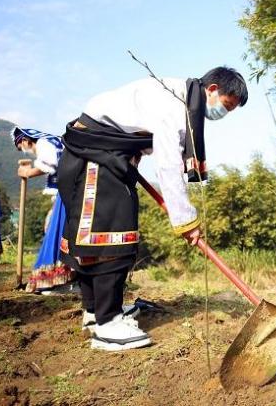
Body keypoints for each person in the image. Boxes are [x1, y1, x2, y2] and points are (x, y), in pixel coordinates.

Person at [57, 66, 248, 351]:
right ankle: (107, 325)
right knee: (112, 239)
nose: (225, 114)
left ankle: (95, 313)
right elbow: (168, 164)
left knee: (94, 240)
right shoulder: (174, 105)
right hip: (99, 157)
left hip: (101, 156)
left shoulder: (180, 97)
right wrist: (185, 219)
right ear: (212, 90)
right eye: (227, 105)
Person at [12, 127, 75, 293]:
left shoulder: (43, 143)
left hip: (69, 191)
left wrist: (28, 172)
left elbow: (49, 163)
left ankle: (52, 280)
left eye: (21, 148)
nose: (25, 151)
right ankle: (62, 278)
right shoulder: (55, 141)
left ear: (25, 141)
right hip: (69, 190)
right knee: (56, 229)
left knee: (57, 234)